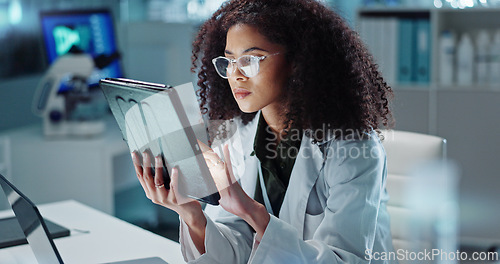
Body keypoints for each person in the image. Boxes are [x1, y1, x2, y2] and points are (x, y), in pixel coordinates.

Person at [132, 0, 397, 263]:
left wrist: (252, 212)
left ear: (297, 60)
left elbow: (345, 260)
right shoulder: (235, 136)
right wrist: (191, 214)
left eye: (250, 59)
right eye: (229, 61)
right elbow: (235, 252)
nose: (235, 75)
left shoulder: (354, 149)